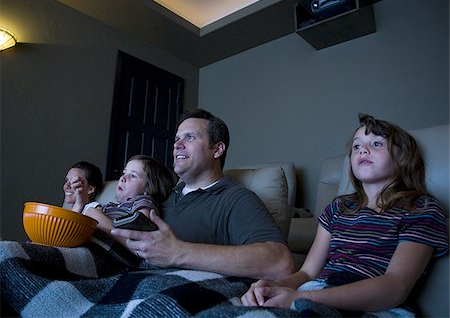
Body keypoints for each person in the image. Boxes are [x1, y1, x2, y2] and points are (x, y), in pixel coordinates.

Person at [241, 114, 448, 316]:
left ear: (402, 157)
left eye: (376, 144)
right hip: (317, 289)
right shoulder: (338, 208)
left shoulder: (420, 208)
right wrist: (274, 287)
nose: (363, 150)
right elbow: (307, 273)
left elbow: (396, 286)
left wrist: (301, 299)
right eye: (357, 146)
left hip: (372, 304)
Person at [111, 109, 295, 280]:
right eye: (177, 139)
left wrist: (178, 252)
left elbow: (280, 262)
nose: (177, 145)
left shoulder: (235, 198)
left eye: (189, 137)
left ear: (217, 149)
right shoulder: (165, 195)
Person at [80, 155, 175, 247]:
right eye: (124, 173)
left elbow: (142, 228)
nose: (122, 178)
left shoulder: (143, 201)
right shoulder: (110, 206)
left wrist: (98, 217)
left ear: (148, 188)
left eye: (133, 176)